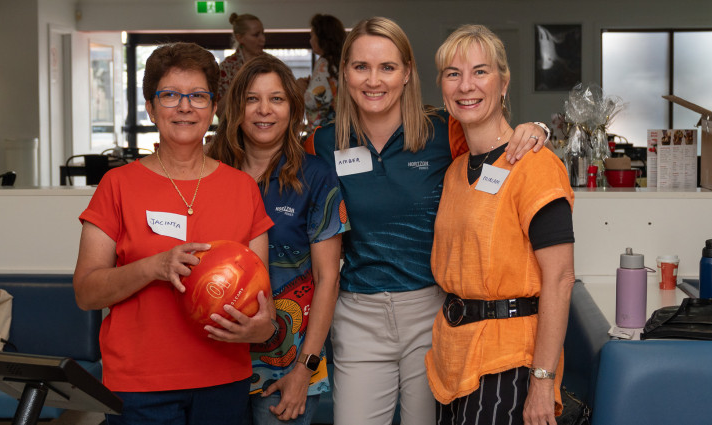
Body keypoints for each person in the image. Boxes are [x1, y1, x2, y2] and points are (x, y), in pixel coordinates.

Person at [304, 17, 550, 425]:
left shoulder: (445, 132)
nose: (373, 80)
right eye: (361, 66)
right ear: (344, 72)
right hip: (357, 315)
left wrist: (537, 129)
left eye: (387, 67)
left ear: (407, 73)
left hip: (433, 312)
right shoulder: (321, 144)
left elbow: (499, 143)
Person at [73, 42, 277, 425]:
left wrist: (261, 327)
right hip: (139, 385)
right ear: (150, 108)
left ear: (214, 108)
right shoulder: (117, 185)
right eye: (169, 95)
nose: (185, 106)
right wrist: (154, 266)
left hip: (223, 380)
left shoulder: (242, 188)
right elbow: (86, 292)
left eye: (198, 96)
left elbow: (260, 300)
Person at [425, 25, 576, 425]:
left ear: (504, 83)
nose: (465, 86)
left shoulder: (536, 165)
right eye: (453, 74)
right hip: (452, 356)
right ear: (442, 87)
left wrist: (543, 381)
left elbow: (560, 278)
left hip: (510, 361)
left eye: (480, 71)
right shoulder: (455, 171)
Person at [210, 55, 348, 425]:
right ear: (236, 108)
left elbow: (327, 280)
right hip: (212, 359)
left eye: (276, 99)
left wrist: (304, 370)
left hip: (289, 366)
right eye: (252, 99)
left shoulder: (316, 176)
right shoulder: (210, 171)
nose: (263, 110)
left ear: (293, 108)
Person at [297, 14, 346, 134]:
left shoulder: (325, 63)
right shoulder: (342, 62)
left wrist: (300, 88)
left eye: (312, 35)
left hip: (322, 131)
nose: (310, 40)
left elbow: (313, 100)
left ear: (321, 37)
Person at [218, 13, 267, 115]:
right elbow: (219, 112)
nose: (263, 39)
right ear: (239, 38)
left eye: (263, 34)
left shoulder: (271, 64)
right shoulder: (226, 68)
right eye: (256, 35)